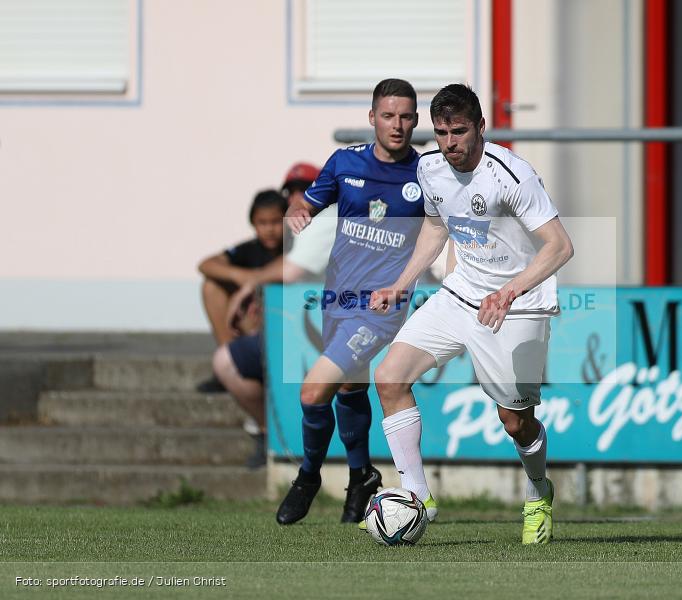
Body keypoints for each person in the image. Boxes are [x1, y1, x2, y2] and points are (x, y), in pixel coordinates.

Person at [370, 84, 574, 544]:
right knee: (389, 378)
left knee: (515, 422)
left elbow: (560, 246)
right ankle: (418, 498)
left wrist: (509, 292)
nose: (450, 143)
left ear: (481, 126)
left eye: (459, 131)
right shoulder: (430, 168)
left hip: (519, 304)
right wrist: (401, 285)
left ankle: (539, 490)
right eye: (441, 132)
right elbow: (437, 226)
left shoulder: (511, 174)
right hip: (461, 294)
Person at [275, 78, 426, 525]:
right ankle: (361, 476)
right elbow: (307, 204)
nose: (397, 125)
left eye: (405, 117)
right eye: (388, 116)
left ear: (415, 120)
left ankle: (307, 477)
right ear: (372, 118)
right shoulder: (345, 163)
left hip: (381, 308)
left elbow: (439, 233)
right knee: (349, 387)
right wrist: (298, 212)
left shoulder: (423, 175)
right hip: (337, 298)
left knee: (312, 390)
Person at [212, 165, 336, 470]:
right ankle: (271, 431)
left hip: (323, 329)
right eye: (290, 191)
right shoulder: (293, 227)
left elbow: (292, 271)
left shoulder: (325, 219)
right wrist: (248, 280)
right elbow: (208, 265)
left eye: (305, 188)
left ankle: (278, 437)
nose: (296, 196)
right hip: (302, 329)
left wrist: (252, 283)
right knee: (214, 291)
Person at [196, 189, 290, 392]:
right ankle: (230, 360)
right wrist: (241, 277)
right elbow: (205, 264)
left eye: (275, 222)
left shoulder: (297, 248)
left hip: (284, 324)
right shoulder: (249, 250)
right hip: (251, 322)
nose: (270, 229)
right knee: (211, 286)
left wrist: (257, 281)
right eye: (262, 223)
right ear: (253, 223)